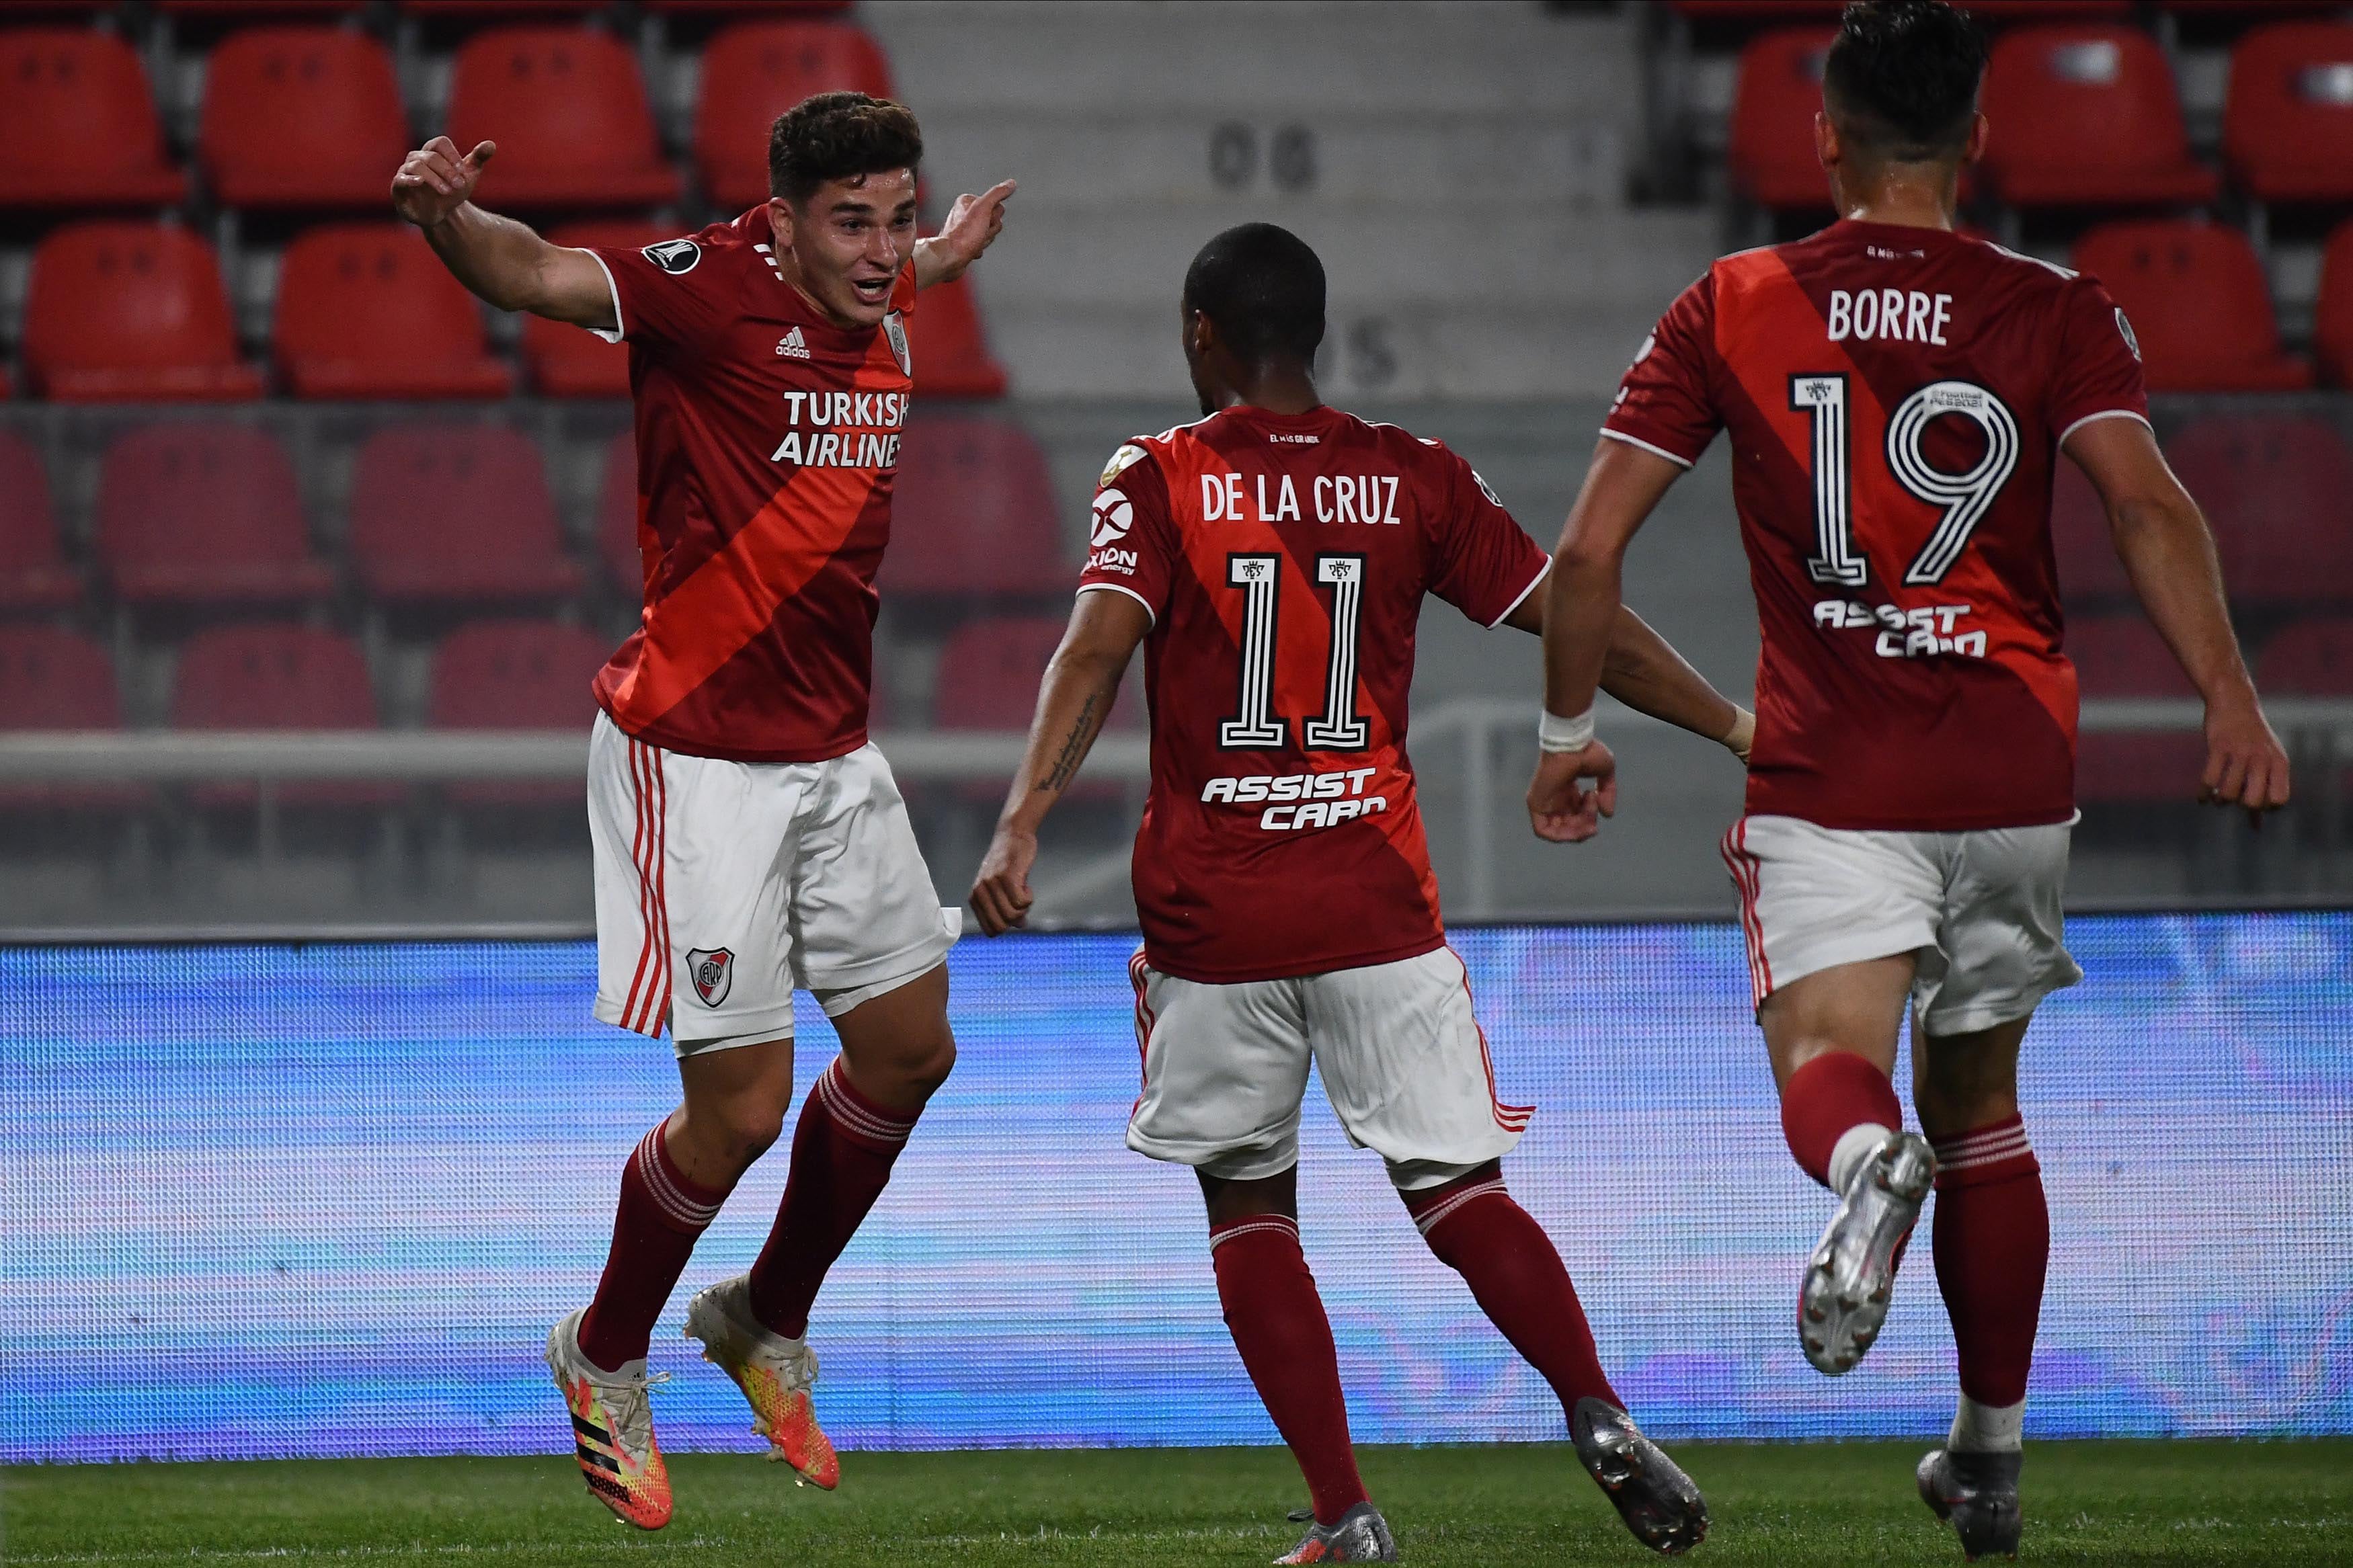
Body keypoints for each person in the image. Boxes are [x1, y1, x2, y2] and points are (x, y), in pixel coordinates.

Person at [1523, 1, 2292, 1557]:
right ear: (1979, 139)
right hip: (2012, 772)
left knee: (1832, 1062)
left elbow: (1589, 552)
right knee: (1986, 1108)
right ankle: (1987, 1459)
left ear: (1824, 136)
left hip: (1835, 769)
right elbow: (2144, 505)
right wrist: (2231, 695)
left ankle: (1865, 1165)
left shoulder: (1732, 301)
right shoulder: (2058, 306)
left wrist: (1563, 737)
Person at [970, 222, 1747, 1563]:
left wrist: (1021, 819)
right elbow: (1578, 614)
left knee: (1248, 1208)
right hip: (1375, 899)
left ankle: (1347, 1512)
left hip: (1218, 917)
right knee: (1459, 1193)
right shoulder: (1412, 474)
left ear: (1201, 331)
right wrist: (1735, 726)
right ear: (1314, 333)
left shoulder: (1157, 474)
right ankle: (1597, 1408)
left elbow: (1093, 653)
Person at [390, 92, 1014, 1530]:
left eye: (898, 221)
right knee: (738, 1110)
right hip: (699, 758)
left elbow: (907, 266)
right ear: (781, 222)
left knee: (910, 1052)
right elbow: (535, 272)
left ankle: (759, 1317)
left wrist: (949, 247)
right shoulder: (699, 289)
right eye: (851, 225)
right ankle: (602, 1353)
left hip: (836, 757)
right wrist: (448, 224)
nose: (882, 252)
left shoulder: (883, 289)